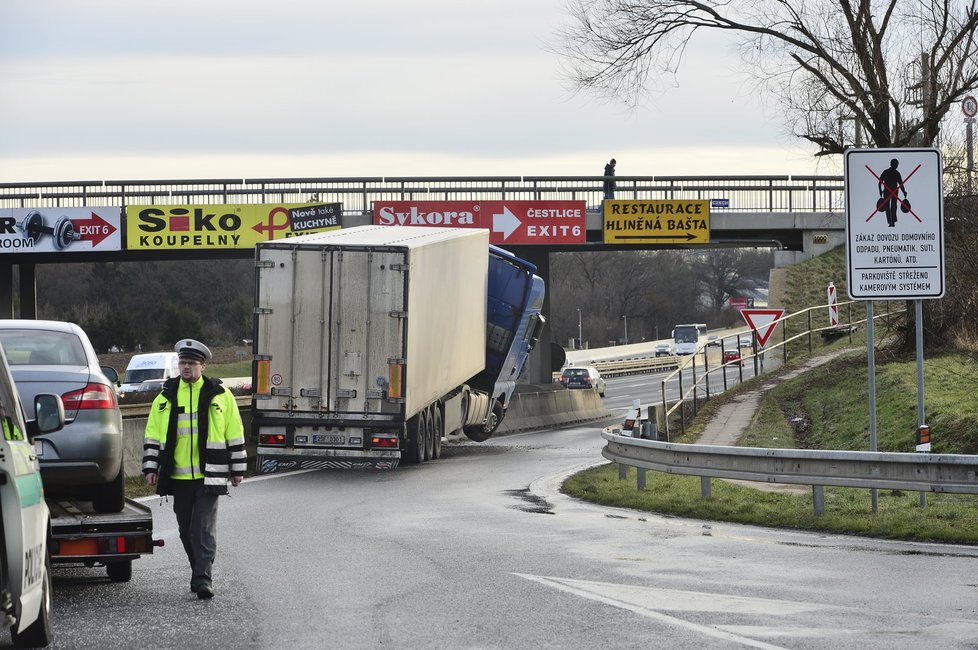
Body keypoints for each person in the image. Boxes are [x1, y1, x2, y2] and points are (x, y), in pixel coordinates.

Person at [143, 338, 246, 600]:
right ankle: (198, 571)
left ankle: (203, 579)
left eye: (191, 363)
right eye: (182, 363)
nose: (185, 367)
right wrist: (150, 467)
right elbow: (153, 435)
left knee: (203, 528)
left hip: (209, 473)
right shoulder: (165, 396)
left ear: (202, 366)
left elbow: (234, 431)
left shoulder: (220, 395)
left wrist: (237, 469)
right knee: (185, 530)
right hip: (177, 476)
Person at [878, 158, 907, 227]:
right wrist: (880, 190)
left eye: (897, 165)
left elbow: (901, 184)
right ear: (891, 164)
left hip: (894, 191)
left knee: (893, 206)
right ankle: (891, 222)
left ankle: (892, 221)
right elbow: (880, 182)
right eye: (895, 164)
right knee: (888, 206)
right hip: (888, 191)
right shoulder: (886, 172)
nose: (896, 166)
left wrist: (904, 192)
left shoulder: (896, 173)